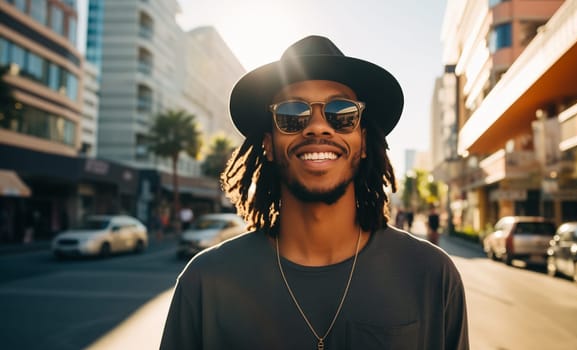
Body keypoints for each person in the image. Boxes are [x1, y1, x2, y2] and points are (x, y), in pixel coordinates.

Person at [160, 35, 469, 349]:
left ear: (363, 141)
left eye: (342, 112)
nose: (318, 127)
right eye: (292, 114)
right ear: (268, 144)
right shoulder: (204, 282)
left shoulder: (432, 275)